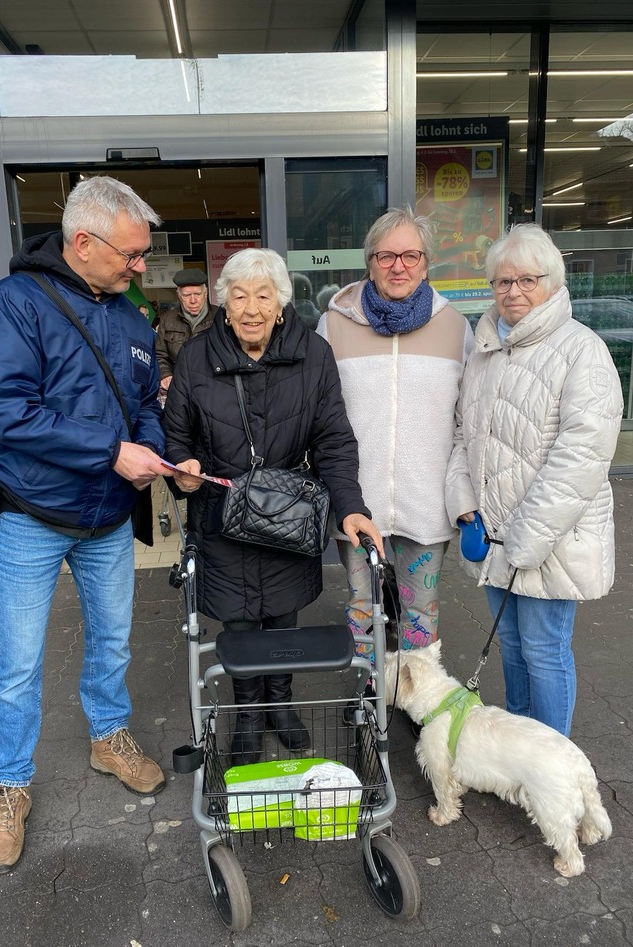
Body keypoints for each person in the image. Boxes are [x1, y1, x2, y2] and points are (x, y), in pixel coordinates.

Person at [0, 176, 173, 874]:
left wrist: (149, 447)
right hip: (29, 514)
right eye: (132, 254)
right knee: (20, 664)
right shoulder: (11, 307)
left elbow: (145, 401)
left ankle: (108, 735)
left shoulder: (132, 316)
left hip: (107, 516)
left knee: (112, 641)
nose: (141, 266)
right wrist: (114, 452)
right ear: (82, 242)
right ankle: (8, 782)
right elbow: (5, 413)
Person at [162, 247, 384, 764]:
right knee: (237, 622)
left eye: (263, 295)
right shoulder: (196, 357)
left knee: (283, 617)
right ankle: (247, 713)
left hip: (288, 516)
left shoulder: (313, 354)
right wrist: (184, 471)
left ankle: (281, 707)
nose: (251, 307)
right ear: (224, 302)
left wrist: (350, 506)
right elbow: (176, 436)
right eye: (239, 295)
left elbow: (333, 438)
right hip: (221, 516)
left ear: (281, 302)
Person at [445, 223, 623, 737]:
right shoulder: (485, 351)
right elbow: (463, 435)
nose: (514, 291)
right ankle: (521, 751)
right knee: (514, 648)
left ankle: (554, 769)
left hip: (550, 539)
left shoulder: (581, 351)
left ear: (553, 283)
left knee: (544, 650)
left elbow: (581, 459)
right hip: (494, 535)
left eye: (528, 279)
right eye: (503, 282)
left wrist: (524, 539)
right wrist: (463, 506)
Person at [317, 207, 473, 660]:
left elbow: (467, 419)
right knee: (362, 607)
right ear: (370, 262)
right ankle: (370, 698)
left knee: (420, 611)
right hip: (357, 502)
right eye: (386, 256)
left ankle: (415, 694)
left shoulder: (455, 327)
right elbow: (321, 414)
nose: (398, 266)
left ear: (426, 265)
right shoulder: (334, 324)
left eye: (410, 256)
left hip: (426, 502)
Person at [155, 268, 218, 392]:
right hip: (179, 387)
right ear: (179, 296)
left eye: (198, 294)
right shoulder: (167, 320)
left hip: (213, 387)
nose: (193, 300)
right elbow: (159, 354)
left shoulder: (220, 317)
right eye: (187, 295)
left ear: (205, 294)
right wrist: (165, 374)